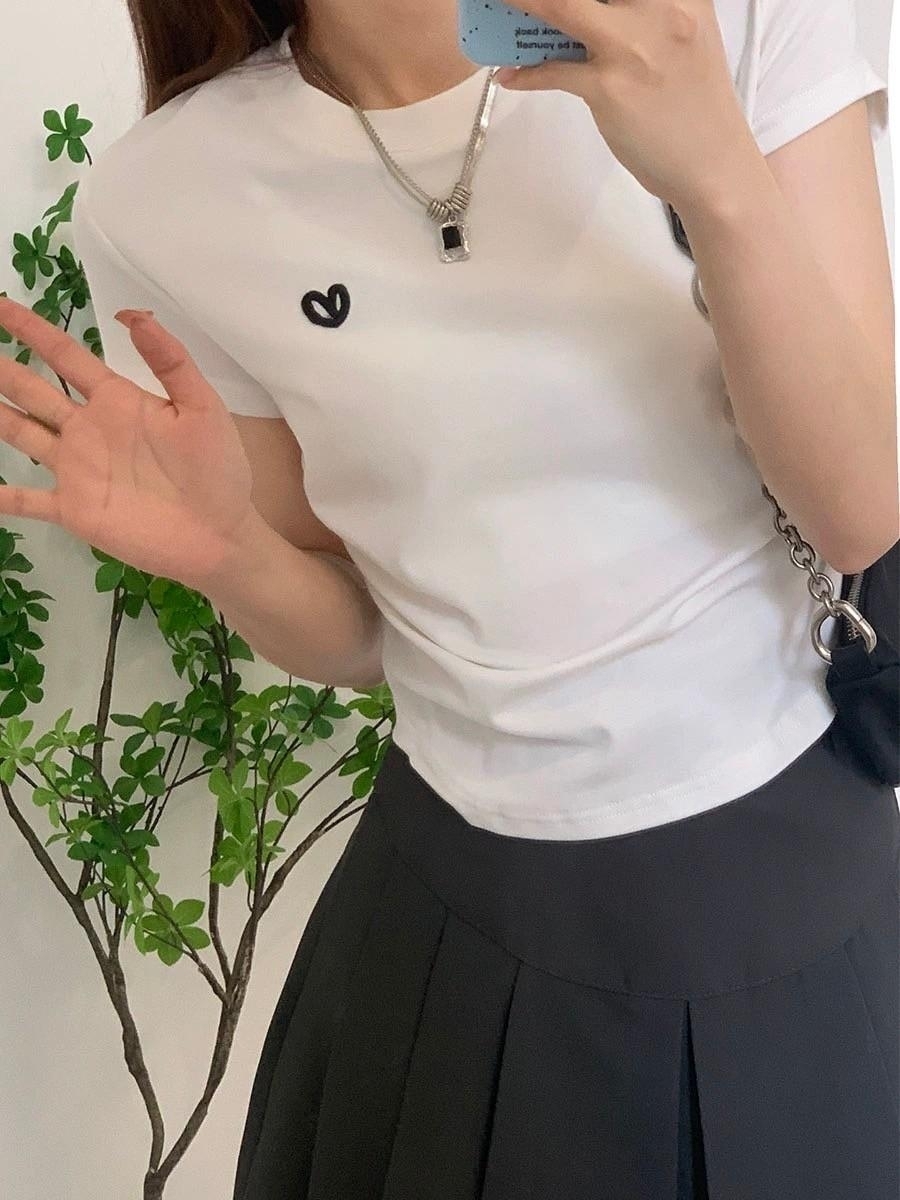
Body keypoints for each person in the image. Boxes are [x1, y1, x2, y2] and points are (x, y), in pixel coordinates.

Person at [0, 1, 897, 1196]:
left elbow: (861, 510)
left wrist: (718, 177)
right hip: (458, 922)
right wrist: (229, 553)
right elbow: (365, 635)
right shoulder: (164, 196)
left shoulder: (722, 18)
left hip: (789, 871)